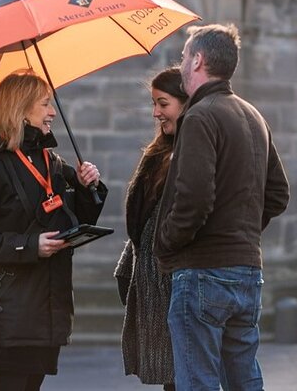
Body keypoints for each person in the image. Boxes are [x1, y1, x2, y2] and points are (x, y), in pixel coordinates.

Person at [153, 24, 290, 391]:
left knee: (198, 382)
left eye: (184, 56)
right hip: (247, 273)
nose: (181, 63)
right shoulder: (253, 116)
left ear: (198, 60)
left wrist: (164, 243)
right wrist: (240, 232)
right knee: (243, 380)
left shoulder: (200, 116)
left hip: (202, 272)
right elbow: (278, 194)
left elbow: (194, 200)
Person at [0, 72, 107, 391]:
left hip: (48, 305)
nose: (52, 111)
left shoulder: (50, 161)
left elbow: (72, 218)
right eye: (45, 103)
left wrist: (86, 186)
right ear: (21, 109)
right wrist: (30, 246)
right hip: (10, 308)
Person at [114, 68, 188, 391]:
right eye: (154, 104)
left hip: (174, 280)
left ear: (185, 103)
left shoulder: (193, 149)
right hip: (153, 282)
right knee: (171, 379)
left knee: (183, 375)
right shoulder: (159, 151)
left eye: (163, 103)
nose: (156, 112)